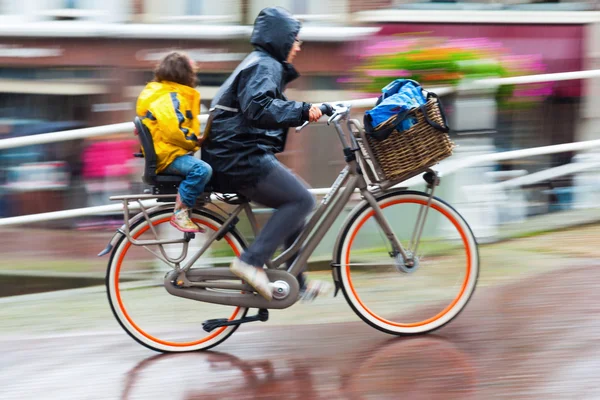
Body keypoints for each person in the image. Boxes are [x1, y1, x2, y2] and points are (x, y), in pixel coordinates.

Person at [202, 7, 332, 302]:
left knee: (296, 198)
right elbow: (258, 107)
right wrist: (302, 111)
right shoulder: (265, 65)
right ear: (281, 39)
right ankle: (250, 261)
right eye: (295, 39)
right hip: (238, 156)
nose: (298, 46)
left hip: (235, 152)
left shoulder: (261, 63)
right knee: (301, 199)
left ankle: (296, 280)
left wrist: (310, 109)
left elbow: (264, 106)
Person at [136, 51, 211, 233]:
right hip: (168, 156)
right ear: (184, 73)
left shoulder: (165, 94)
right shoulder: (170, 97)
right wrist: (195, 142)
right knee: (202, 170)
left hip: (167, 153)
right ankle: (181, 213)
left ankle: (191, 204)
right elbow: (174, 130)